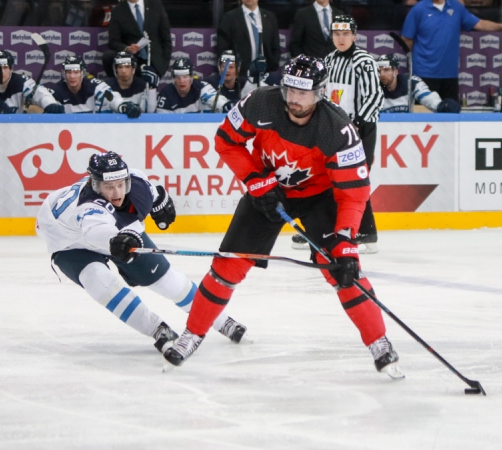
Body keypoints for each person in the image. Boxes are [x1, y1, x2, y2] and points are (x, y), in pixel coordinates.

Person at [162, 55, 403, 381]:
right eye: (291, 90)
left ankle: (379, 341)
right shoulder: (260, 103)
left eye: (303, 93)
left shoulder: (338, 129)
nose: (294, 99)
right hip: (269, 192)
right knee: (227, 266)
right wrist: (254, 179)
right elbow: (226, 141)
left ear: (320, 92)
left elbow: (353, 192)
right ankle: (193, 333)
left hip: (321, 197)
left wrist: (345, 239)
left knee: (345, 272)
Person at [35, 152, 248, 354]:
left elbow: (152, 194)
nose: (117, 193)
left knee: (166, 279)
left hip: (114, 232)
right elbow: (94, 232)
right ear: (95, 185)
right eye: (109, 187)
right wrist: (114, 239)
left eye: (120, 185)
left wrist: (158, 202)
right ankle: (157, 329)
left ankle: (222, 320)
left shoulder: (137, 182)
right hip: (67, 242)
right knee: (98, 281)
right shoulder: (89, 206)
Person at [297, 14, 382, 254]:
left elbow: (374, 96)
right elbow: (323, 95)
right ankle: (320, 228)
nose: (341, 38)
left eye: (345, 34)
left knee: (353, 179)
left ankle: (366, 230)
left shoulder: (364, 61)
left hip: (360, 129)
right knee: (325, 177)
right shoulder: (329, 60)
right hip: (334, 128)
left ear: (354, 35)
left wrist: (356, 123)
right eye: (336, 34)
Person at [401, 0, 502, 102]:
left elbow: (479, 24)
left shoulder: (456, 7)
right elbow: (406, 39)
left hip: (449, 75)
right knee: (423, 118)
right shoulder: (418, 9)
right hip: (423, 74)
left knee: (450, 118)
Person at [0, 50, 64, 114]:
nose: (2, 72)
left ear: (11, 69)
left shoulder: (21, 82)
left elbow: (39, 93)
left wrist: (50, 104)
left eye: (5, 68)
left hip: (17, 129)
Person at [48, 56, 141, 117]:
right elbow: (43, 103)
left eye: (76, 72)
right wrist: (49, 106)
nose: (72, 76)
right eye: (69, 72)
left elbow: (111, 97)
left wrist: (122, 105)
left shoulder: (94, 85)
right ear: (64, 74)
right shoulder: (57, 90)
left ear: (82, 73)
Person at [102, 0, 172, 78]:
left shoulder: (156, 5)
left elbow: (166, 37)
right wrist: (126, 48)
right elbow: (113, 41)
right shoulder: (118, 10)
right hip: (130, 59)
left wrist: (163, 65)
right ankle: (117, 86)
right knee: (108, 56)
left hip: (153, 59)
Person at [215, 0, 281, 78]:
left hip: (266, 74)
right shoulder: (230, 17)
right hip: (241, 75)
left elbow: (275, 46)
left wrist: (273, 65)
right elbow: (222, 48)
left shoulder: (270, 17)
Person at [376, 53, 460, 113]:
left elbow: (428, 98)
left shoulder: (410, 82)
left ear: (396, 71)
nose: (382, 74)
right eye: (379, 70)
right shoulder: (373, 87)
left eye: (386, 70)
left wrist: (440, 105)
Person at [156, 57, 232, 113]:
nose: (181, 81)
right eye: (178, 77)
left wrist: (225, 105)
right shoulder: (165, 94)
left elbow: (215, 99)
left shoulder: (201, 87)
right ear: (173, 78)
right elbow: (161, 121)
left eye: (185, 77)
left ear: (191, 77)